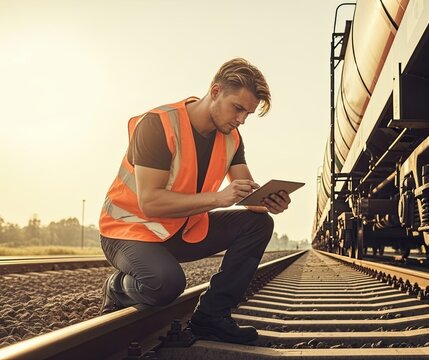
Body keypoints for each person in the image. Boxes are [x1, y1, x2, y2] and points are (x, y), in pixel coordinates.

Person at [98, 58, 290, 344]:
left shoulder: (232, 138)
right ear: (215, 92)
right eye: (238, 108)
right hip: (128, 231)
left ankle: (211, 317)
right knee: (167, 284)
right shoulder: (158, 124)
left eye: (247, 114)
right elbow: (150, 202)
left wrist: (267, 201)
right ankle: (118, 287)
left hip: (181, 230)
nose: (241, 120)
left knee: (258, 223)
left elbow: (246, 194)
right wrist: (219, 198)